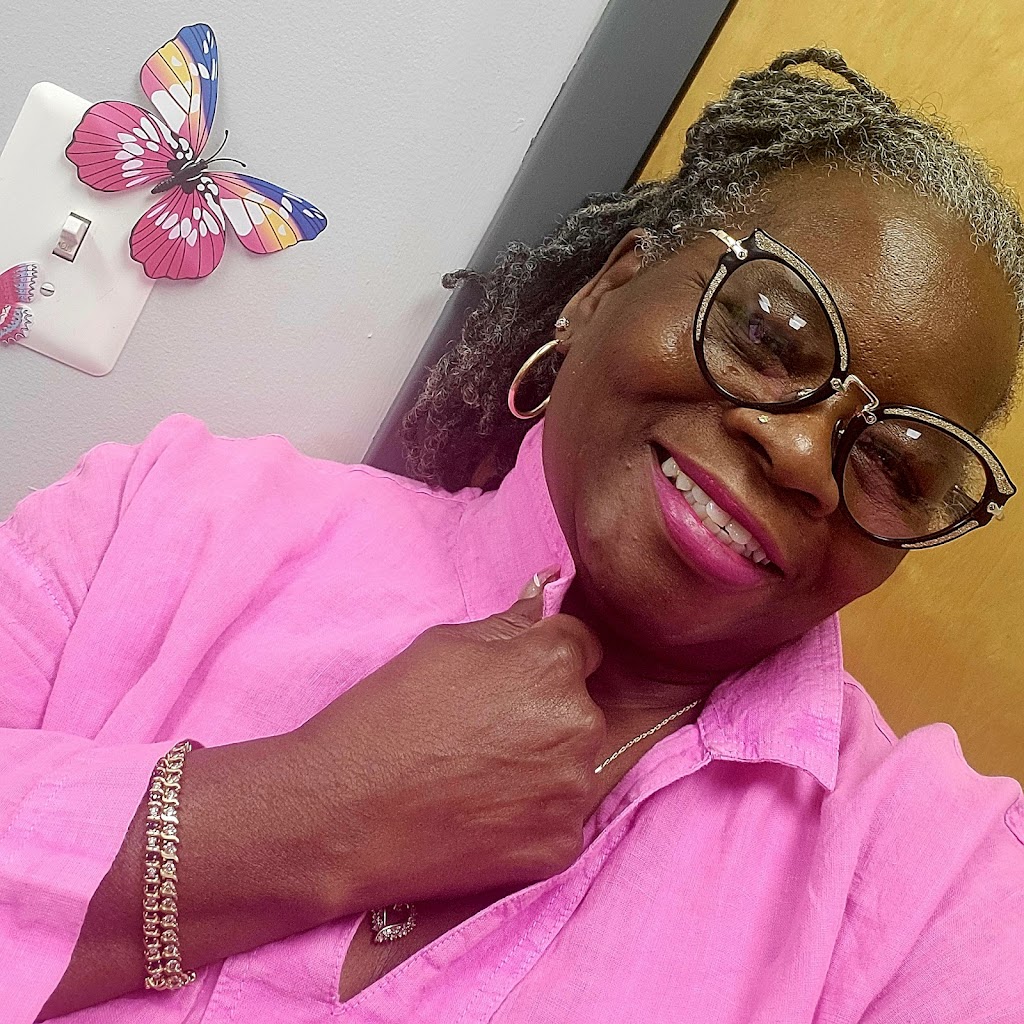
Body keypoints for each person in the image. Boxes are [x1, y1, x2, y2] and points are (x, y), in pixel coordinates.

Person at [3, 48, 1022, 1023]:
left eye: (899, 466)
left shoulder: (942, 887)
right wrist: (314, 816)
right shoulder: (161, 519)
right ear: (603, 290)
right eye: (768, 334)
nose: (802, 456)